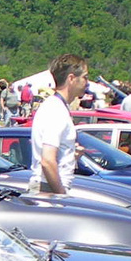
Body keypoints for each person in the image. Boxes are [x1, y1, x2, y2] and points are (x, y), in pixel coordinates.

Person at [33, 53, 89, 194]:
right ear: (71, 78)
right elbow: (47, 160)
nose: (87, 82)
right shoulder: (55, 110)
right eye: (84, 77)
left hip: (49, 187)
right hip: (48, 190)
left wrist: (71, 155)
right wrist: (61, 194)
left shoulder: (58, 107)